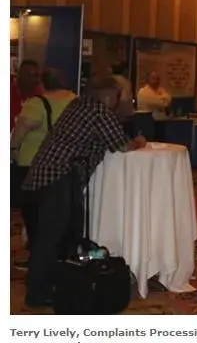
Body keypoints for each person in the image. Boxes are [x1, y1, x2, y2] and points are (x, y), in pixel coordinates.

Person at [21, 76, 146, 307]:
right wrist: (140, 141)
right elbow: (123, 145)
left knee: (59, 236)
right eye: (119, 95)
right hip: (59, 177)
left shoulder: (80, 104)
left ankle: (56, 285)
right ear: (109, 95)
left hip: (46, 175)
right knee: (51, 237)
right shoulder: (99, 111)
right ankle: (37, 292)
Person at [10, 69, 76, 264]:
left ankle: (36, 256)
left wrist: (13, 148)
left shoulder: (37, 104)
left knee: (33, 215)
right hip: (63, 166)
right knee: (56, 216)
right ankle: (55, 256)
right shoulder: (74, 100)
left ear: (42, 83)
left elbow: (20, 132)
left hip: (32, 166)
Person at [11, 59, 43, 132]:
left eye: (37, 76)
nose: (34, 79)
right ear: (19, 75)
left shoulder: (39, 94)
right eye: (29, 75)